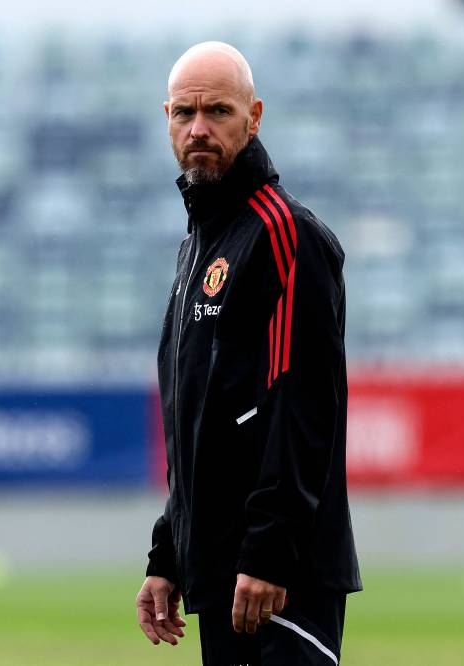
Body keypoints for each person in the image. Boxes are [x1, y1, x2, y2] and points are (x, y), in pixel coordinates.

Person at [136, 41, 362, 666]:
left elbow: (301, 408)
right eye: (184, 113)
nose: (199, 129)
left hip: (278, 577)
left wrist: (268, 553)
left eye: (218, 111)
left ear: (255, 116)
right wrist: (170, 553)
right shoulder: (197, 250)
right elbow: (200, 423)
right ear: (168, 120)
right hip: (221, 571)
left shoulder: (283, 234)